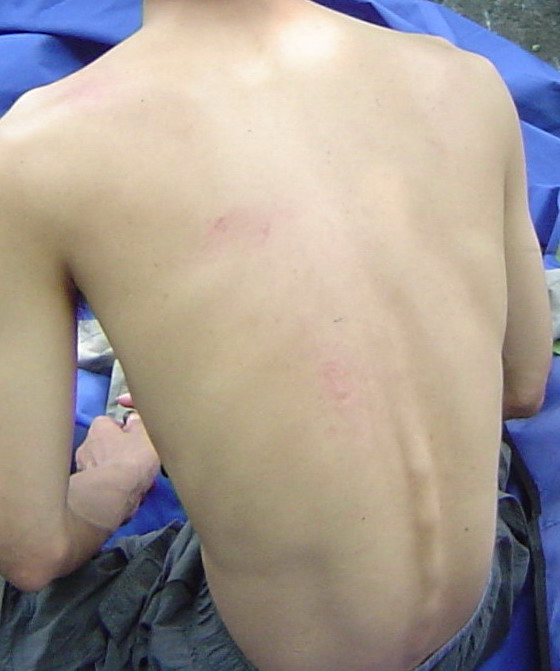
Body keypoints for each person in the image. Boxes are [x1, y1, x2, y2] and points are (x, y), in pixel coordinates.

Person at [0, 0, 552, 669]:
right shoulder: (467, 79)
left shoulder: (36, 151)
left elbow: (34, 551)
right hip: (481, 606)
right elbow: (523, 385)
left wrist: (119, 478)